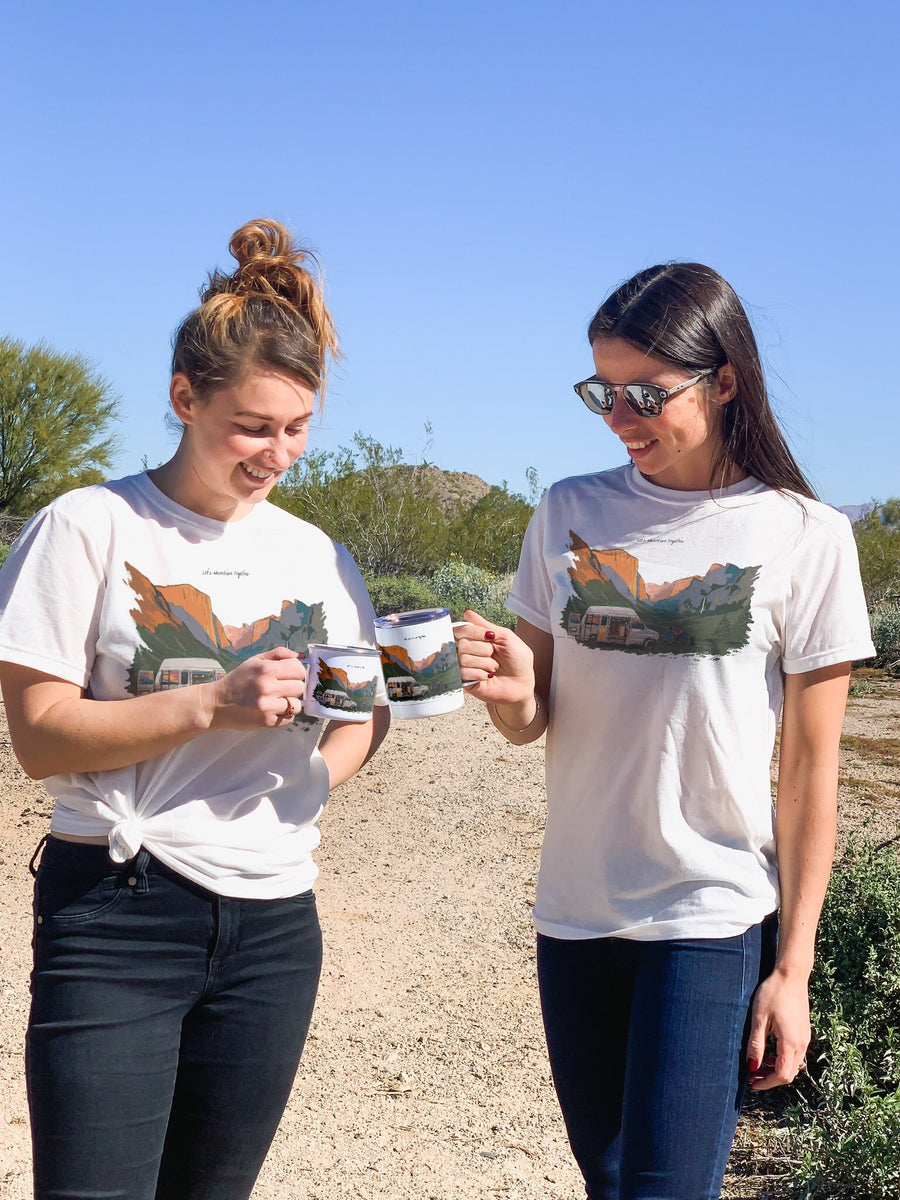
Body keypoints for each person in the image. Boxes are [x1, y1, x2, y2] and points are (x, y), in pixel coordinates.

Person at [454, 262, 874, 1200]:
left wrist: (794, 969)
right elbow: (532, 719)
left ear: (724, 380)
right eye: (603, 391)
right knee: (609, 1184)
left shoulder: (805, 535)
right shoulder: (568, 511)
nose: (619, 416)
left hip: (709, 914)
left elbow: (810, 775)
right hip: (575, 912)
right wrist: (508, 690)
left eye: (646, 393)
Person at [0, 218, 389, 1200]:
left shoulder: (318, 557)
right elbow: (40, 737)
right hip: (117, 911)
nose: (278, 454)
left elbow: (361, 712)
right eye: (253, 426)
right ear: (184, 397)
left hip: (274, 928)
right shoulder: (88, 527)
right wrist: (211, 703)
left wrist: (308, 783)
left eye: (298, 428)